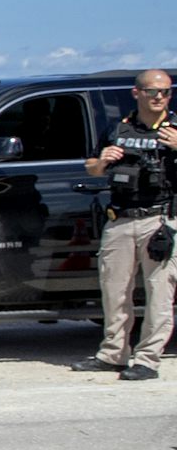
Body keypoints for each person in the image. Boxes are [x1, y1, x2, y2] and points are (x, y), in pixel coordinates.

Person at [72, 69, 175, 381]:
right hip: (120, 219)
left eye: (166, 92)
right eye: (152, 91)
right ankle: (113, 354)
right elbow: (91, 168)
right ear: (137, 93)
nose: (159, 97)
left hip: (160, 219)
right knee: (114, 292)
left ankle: (147, 360)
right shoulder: (118, 128)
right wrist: (103, 161)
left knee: (159, 294)